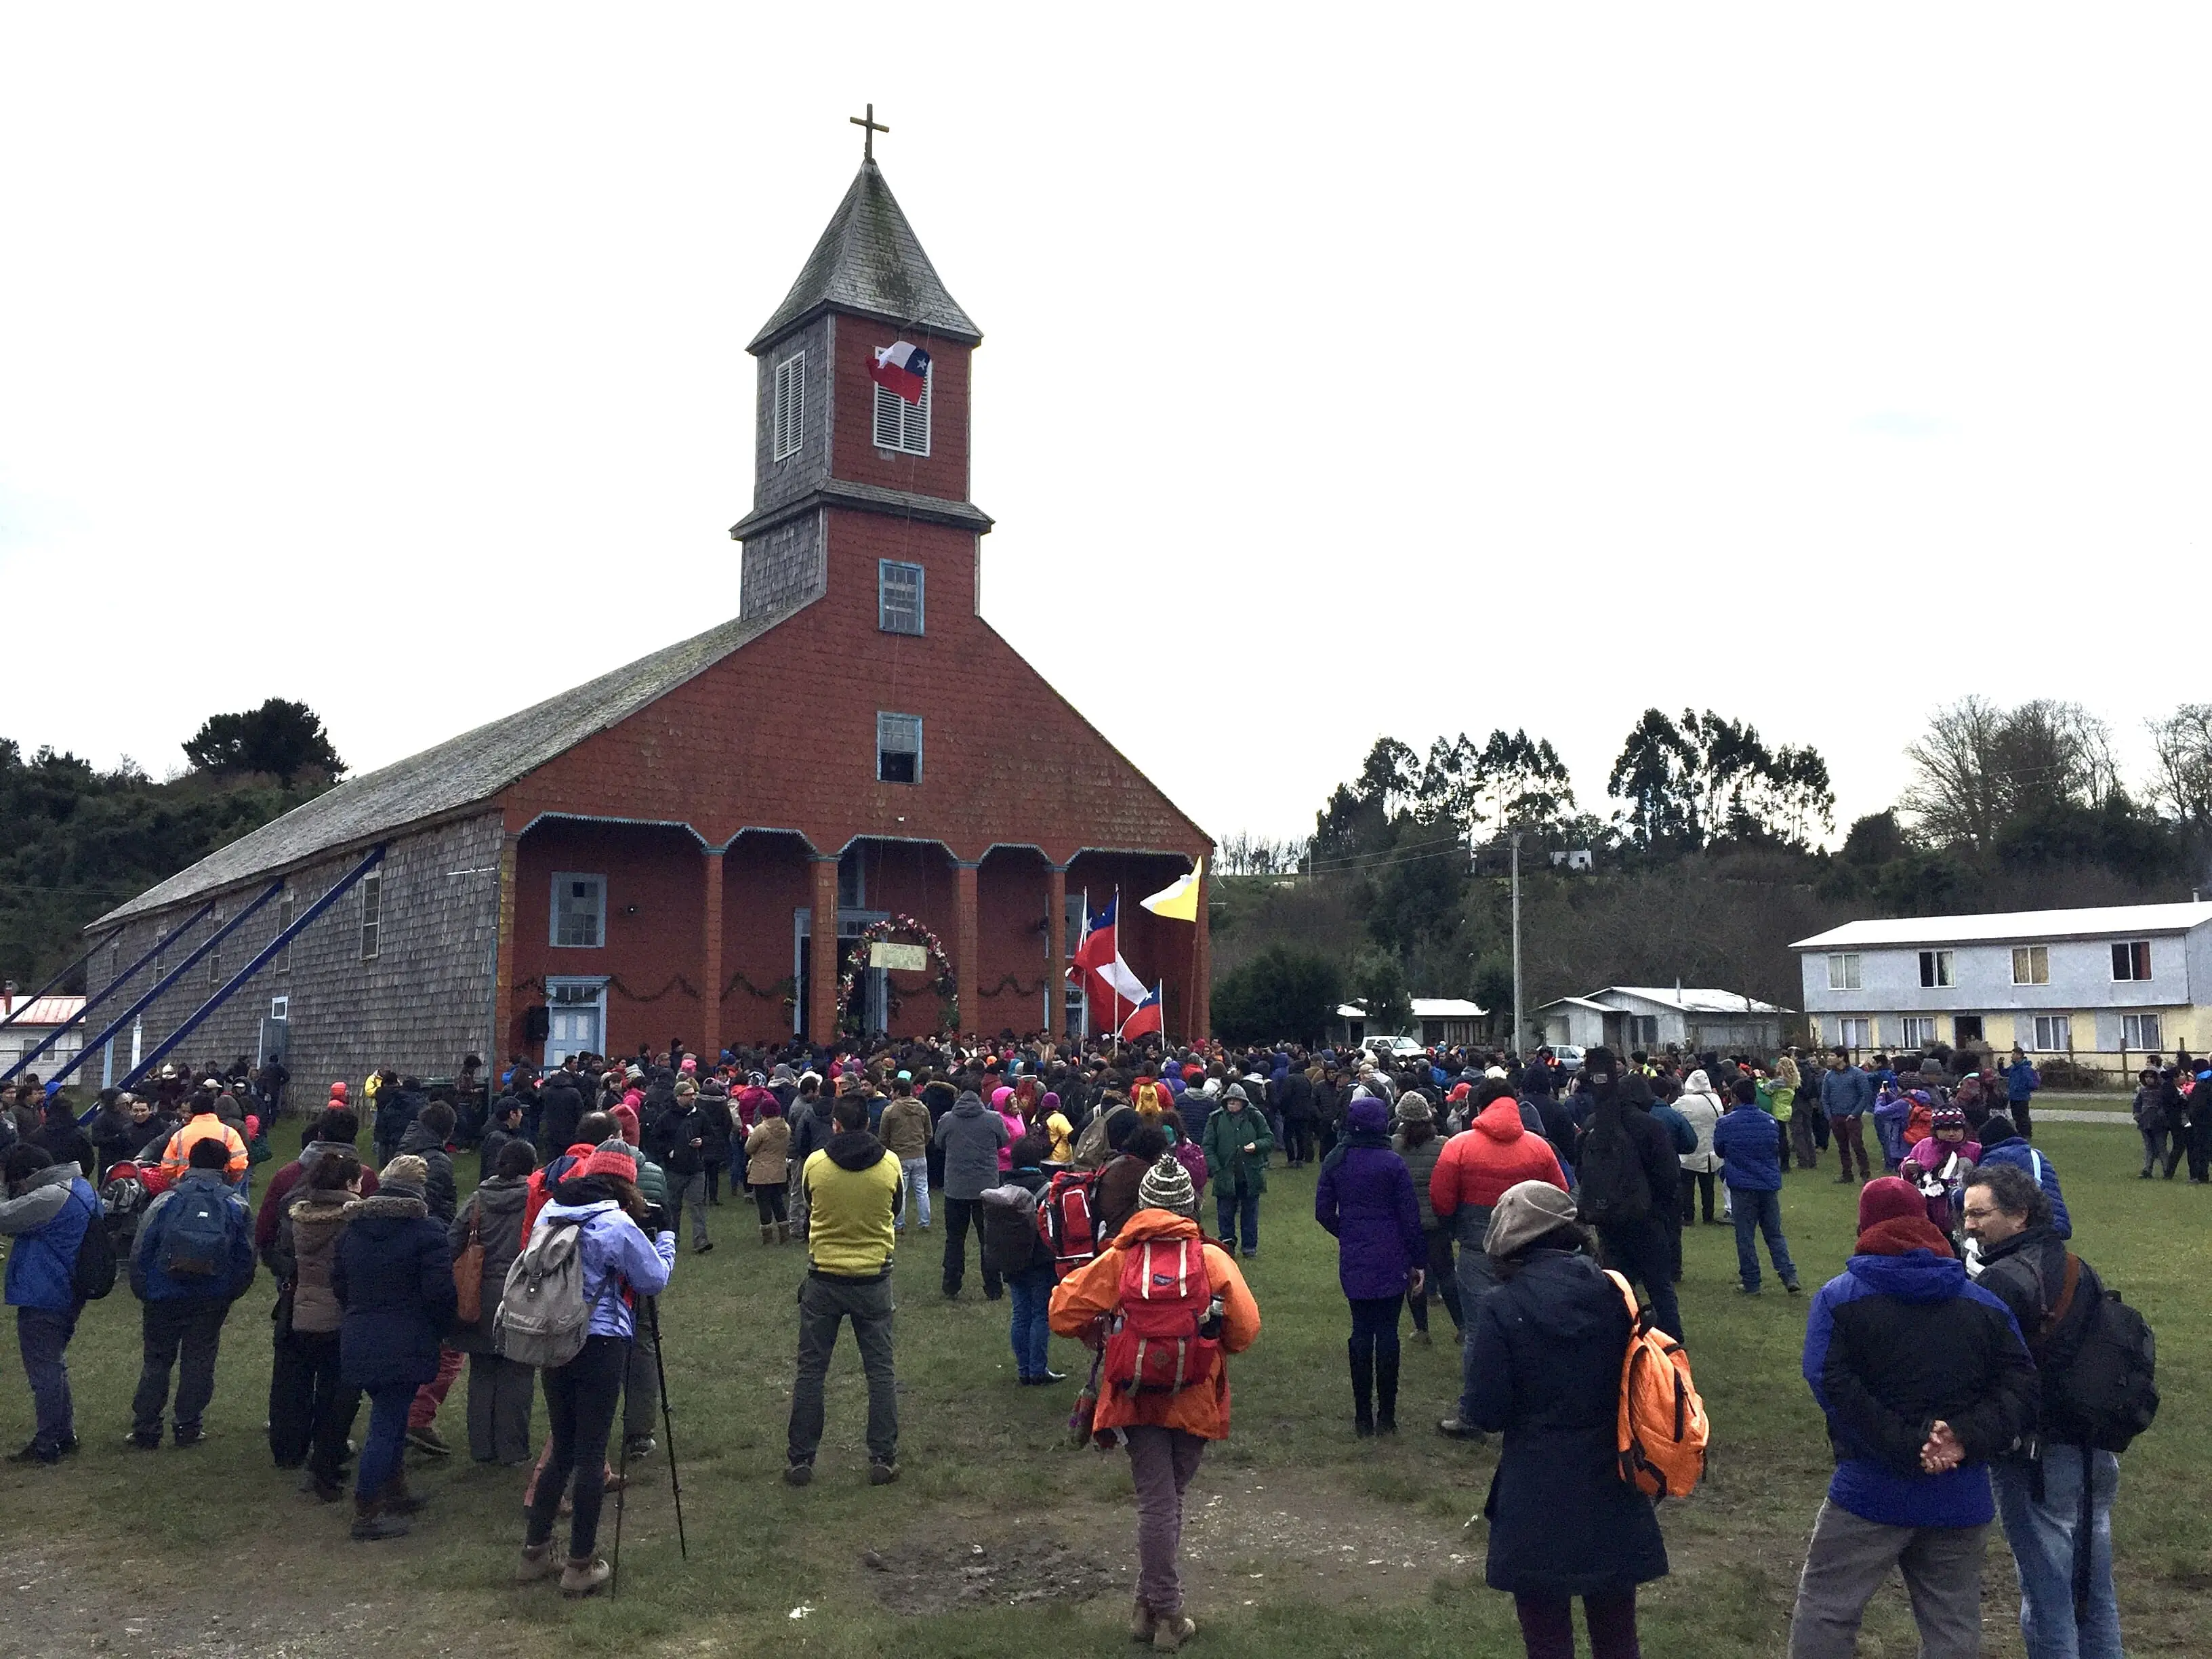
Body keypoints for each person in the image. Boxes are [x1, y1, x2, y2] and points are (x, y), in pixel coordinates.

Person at [1788, 1176, 2039, 1659]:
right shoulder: (1983, 1303)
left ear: (1865, 1224)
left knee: (1828, 1610)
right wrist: (1961, 1438)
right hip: (1960, 1491)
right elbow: (2022, 1385)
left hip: (1870, 1485)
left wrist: (1908, 1443)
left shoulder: (1840, 1298)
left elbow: (1829, 1382)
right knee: (1953, 1625)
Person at [1049, 1153, 1261, 1652]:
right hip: (1195, 1395)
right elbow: (1246, 1330)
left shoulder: (1121, 1259)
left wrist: (1100, 1335)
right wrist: (1208, 1344)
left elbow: (1061, 1310)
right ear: (1191, 1205)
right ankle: (1169, 1610)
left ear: (1143, 1205)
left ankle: (1148, 1612)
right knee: (1169, 1502)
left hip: (1134, 1395)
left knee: (1157, 1502)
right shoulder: (1211, 1260)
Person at [1465, 1179, 1668, 1658]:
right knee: (1618, 1634)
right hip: (1612, 1474)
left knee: (1547, 1637)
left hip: (1536, 1484)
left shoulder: (1502, 1306)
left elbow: (1485, 1411)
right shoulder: (1616, 1293)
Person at [1963, 1165, 2127, 1659]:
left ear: (2020, 1215)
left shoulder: (2002, 1280)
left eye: (1979, 1214)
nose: (1968, 1225)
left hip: (2036, 1456)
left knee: (2048, 1596)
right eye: (1964, 1213)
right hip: (2094, 1449)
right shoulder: (2078, 1265)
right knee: (2094, 1593)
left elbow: (1978, 1369)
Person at [516, 1145, 674, 1593]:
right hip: (601, 1339)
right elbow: (651, 1279)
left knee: (563, 1445)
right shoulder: (616, 1223)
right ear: (627, 1182)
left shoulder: (552, 1210)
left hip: (554, 1334)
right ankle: (580, 1564)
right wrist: (665, 1240)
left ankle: (534, 1551)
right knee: (590, 1452)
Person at [332, 1155, 456, 1540]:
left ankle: (393, 1487)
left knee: (393, 1415)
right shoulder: (427, 1232)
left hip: (360, 1330)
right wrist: (442, 1326)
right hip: (407, 1333)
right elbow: (439, 1292)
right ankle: (368, 1508)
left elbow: (339, 1283)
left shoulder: (352, 1231)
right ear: (421, 1190)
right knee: (387, 1421)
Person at [785, 1094, 903, 1487]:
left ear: (835, 1124)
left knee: (811, 1372)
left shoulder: (816, 1164)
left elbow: (808, 1202)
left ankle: (801, 1459)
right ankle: (883, 1456)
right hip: (873, 1276)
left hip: (825, 1277)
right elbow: (896, 1206)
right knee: (880, 1371)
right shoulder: (890, 1164)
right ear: (868, 1123)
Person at [128, 1136, 257, 1450]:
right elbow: (247, 1257)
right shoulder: (235, 1204)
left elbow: (142, 1248)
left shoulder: (166, 1200)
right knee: (199, 1360)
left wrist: (145, 1289)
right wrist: (229, 1292)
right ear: (225, 1166)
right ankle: (188, 1425)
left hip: (163, 1293)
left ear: (189, 1162)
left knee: (157, 1360)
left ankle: (146, 1427)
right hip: (212, 1296)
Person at [1315, 1095, 1424, 1435]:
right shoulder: (1393, 1164)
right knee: (1388, 1331)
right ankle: (1387, 1416)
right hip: (1392, 1253)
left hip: (1356, 1253)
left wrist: (1346, 1230)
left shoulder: (1337, 1160)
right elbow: (1410, 1217)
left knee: (1361, 1331)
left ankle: (1363, 1416)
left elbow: (1322, 1212)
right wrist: (1418, 1261)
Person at [266, 1149, 365, 1500]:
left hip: (300, 1307)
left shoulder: (300, 1216)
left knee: (294, 1383)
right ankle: (327, 1456)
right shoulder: (352, 1221)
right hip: (338, 1312)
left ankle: (290, 1447)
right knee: (336, 1392)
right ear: (350, 1184)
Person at [1, 1145, 100, 1464]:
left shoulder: (50, 1198)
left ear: (31, 1176)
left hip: (45, 1293)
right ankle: (63, 1434)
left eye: (19, 1185)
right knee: (54, 1366)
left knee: (43, 1371)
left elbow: (4, 1217)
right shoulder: (81, 1188)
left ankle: (47, 1443)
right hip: (68, 1289)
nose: (20, 1193)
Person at [449, 1137, 537, 1465]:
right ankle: (512, 1449)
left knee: (483, 1372)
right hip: (521, 1293)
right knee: (517, 1372)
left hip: (479, 1295)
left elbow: (452, 1242)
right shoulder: (535, 1202)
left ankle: (482, 1448)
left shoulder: (477, 1201)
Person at [983, 1128, 1063, 1385]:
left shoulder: (1004, 1190)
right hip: (1041, 1259)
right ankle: (1038, 1369)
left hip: (1011, 1258)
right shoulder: (1048, 1189)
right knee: (1040, 1313)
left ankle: (1023, 1368)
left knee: (1020, 1313)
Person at [1712, 1077, 1801, 1296]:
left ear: (1734, 1097)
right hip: (1768, 1183)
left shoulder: (1725, 1123)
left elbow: (1720, 1150)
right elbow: (1775, 1148)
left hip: (1742, 1185)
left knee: (1745, 1235)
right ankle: (1789, 1275)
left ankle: (1752, 1281)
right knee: (1774, 1233)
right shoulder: (1770, 1121)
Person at [1391, 1095, 1461, 1340]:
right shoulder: (1444, 1145)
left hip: (1406, 1223)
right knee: (1447, 1274)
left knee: (1413, 1275)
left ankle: (1422, 1329)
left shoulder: (1393, 1147)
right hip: (1437, 1220)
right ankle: (1462, 1327)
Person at [1197, 1083, 1273, 1258]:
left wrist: (1257, 1145)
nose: (1232, 1104)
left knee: (1250, 1213)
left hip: (1250, 1174)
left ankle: (1249, 1247)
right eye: (1229, 1101)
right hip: (1225, 1174)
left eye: (1236, 1101)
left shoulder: (1255, 1117)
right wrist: (1216, 1167)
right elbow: (1207, 1146)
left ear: (1243, 1102)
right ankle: (1227, 1244)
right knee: (1225, 1213)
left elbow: (1269, 1138)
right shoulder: (1215, 1118)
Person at [1972, 1112, 2070, 1241]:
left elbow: (1977, 1193)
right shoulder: (2037, 1154)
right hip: (2054, 1222)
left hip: (2025, 1226)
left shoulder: (1996, 1156)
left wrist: (1953, 1193)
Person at [1904, 1107, 1980, 1243]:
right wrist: (1908, 1167)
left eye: (1956, 1129)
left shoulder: (1975, 1149)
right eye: (1945, 1129)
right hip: (1930, 1212)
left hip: (1963, 1210)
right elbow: (1906, 1174)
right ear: (1935, 1130)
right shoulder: (1924, 1146)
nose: (1951, 1133)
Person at [155, 1091, 249, 1193]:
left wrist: (177, 1181)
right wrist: (231, 1180)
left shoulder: (180, 1134)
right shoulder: (229, 1133)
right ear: (214, 1109)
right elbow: (239, 1164)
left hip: (186, 1188)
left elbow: (168, 1167)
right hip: (219, 1188)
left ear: (193, 1110)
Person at [876, 1078, 933, 1233]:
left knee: (901, 1192)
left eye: (892, 1090)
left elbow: (883, 1136)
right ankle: (925, 1222)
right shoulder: (922, 1108)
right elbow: (929, 1132)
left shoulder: (890, 1110)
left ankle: (899, 1224)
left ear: (898, 1092)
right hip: (920, 1154)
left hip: (899, 1156)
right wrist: (921, 1145)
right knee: (922, 1190)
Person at [1675, 1069, 1724, 1226]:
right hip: (1710, 1149)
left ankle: (1688, 1216)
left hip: (1690, 1148)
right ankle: (1708, 1216)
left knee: (1687, 1186)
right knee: (1708, 1186)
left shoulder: (1684, 1101)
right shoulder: (1715, 1099)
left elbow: (1673, 1112)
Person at [1820, 1050, 1875, 1185]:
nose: (1829, 1058)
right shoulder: (1829, 1076)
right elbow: (1825, 1097)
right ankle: (1847, 1174)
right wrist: (1829, 1116)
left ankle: (1865, 1174)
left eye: (1832, 1055)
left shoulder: (1857, 1074)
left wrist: (1855, 1113)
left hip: (1852, 1117)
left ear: (1842, 1057)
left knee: (1858, 1146)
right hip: (1836, 1117)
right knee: (1842, 1147)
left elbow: (1865, 1094)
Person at [744, 1099, 792, 1242]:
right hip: (779, 1170)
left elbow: (749, 1148)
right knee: (778, 1202)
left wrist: (751, 1137)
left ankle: (767, 1235)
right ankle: (784, 1233)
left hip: (762, 1172)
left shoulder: (761, 1129)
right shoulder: (786, 1128)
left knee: (764, 1203)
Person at [2129, 1068, 2183, 1180]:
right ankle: (2147, 1170)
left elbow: (2164, 1106)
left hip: (2159, 1124)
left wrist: (2160, 1116)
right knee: (2149, 1147)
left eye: (2151, 1077)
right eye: (2146, 1077)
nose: (2149, 1079)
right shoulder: (2143, 1091)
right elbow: (2137, 1104)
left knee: (2161, 1147)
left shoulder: (2161, 1091)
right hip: (2145, 1122)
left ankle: (2167, 1170)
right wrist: (2137, 1115)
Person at [2000, 1053, 2041, 1142]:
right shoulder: (2013, 1068)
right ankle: (2020, 1133)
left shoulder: (2026, 1069)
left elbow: (2032, 1083)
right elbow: (2004, 1073)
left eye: (2014, 1054)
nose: (2012, 1056)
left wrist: (2021, 1088)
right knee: (2016, 1117)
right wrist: (2000, 1065)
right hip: (2013, 1096)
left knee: (2023, 1117)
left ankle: (2026, 1134)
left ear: (2019, 1055)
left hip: (2022, 1097)